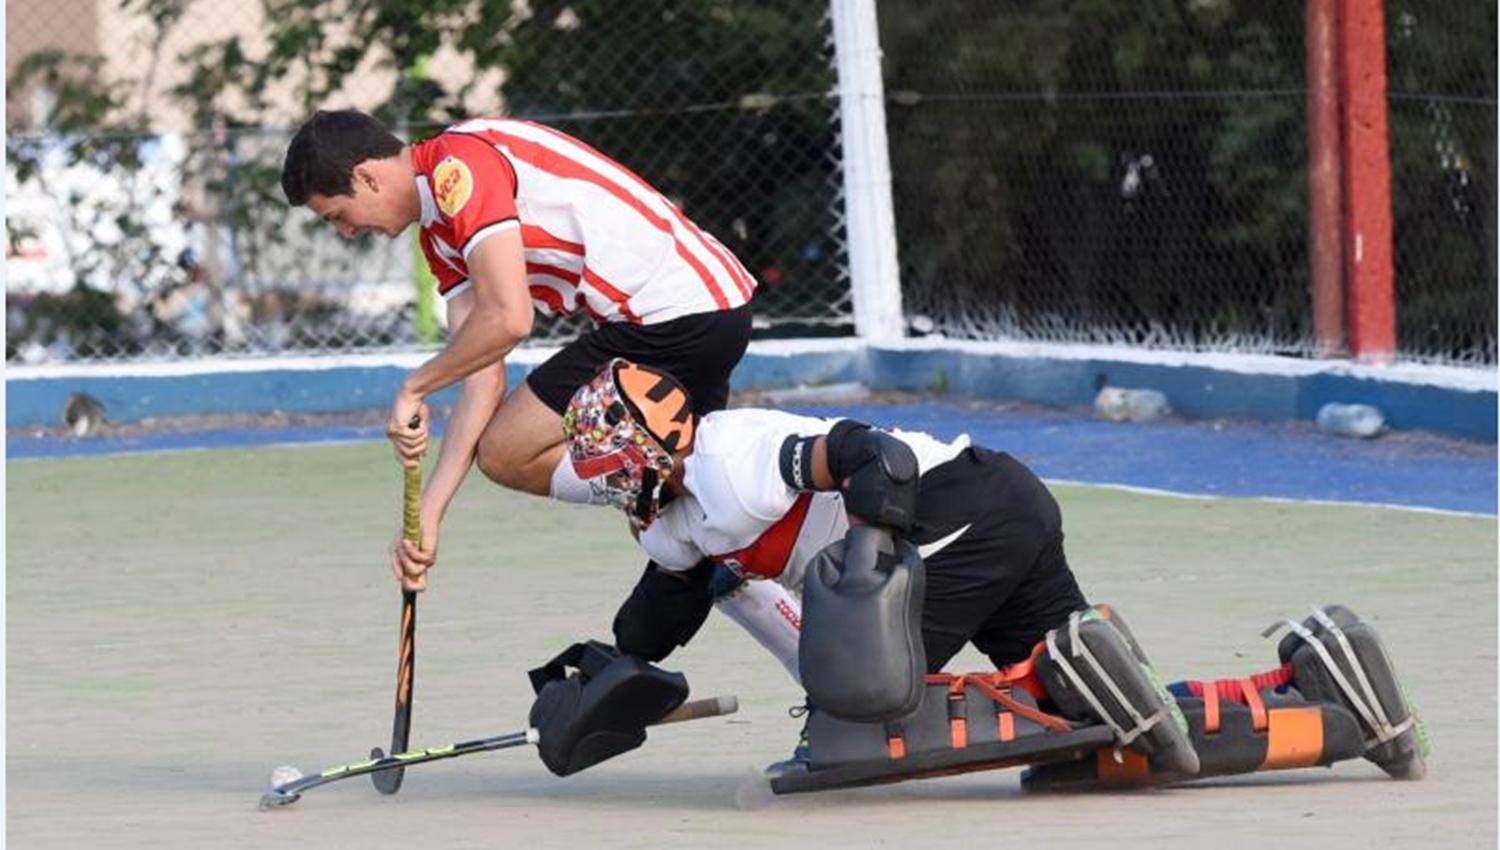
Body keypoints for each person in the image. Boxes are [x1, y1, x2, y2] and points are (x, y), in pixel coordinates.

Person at [561, 358, 1428, 786]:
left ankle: (1070, 663)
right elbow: (655, 620)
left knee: (860, 698)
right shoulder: (671, 521)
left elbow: (879, 457)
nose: (610, 490)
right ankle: (1327, 691)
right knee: (1089, 726)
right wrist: (594, 685)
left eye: (611, 470)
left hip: (965, 505)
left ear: (645, 450)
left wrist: (867, 588)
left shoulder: (731, 456)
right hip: (997, 512)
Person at [279, 109, 756, 589]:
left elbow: (509, 319)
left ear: (367, 176)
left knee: (510, 451)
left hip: (671, 315)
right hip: (686, 313)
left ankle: (673, 484)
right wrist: (429, 515)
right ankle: (696, 505)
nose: (346, 231)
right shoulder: (439, 238)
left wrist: (414, 387)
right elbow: (483, 375)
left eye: (338, 215)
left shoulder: (457, 165)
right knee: (691, 552)